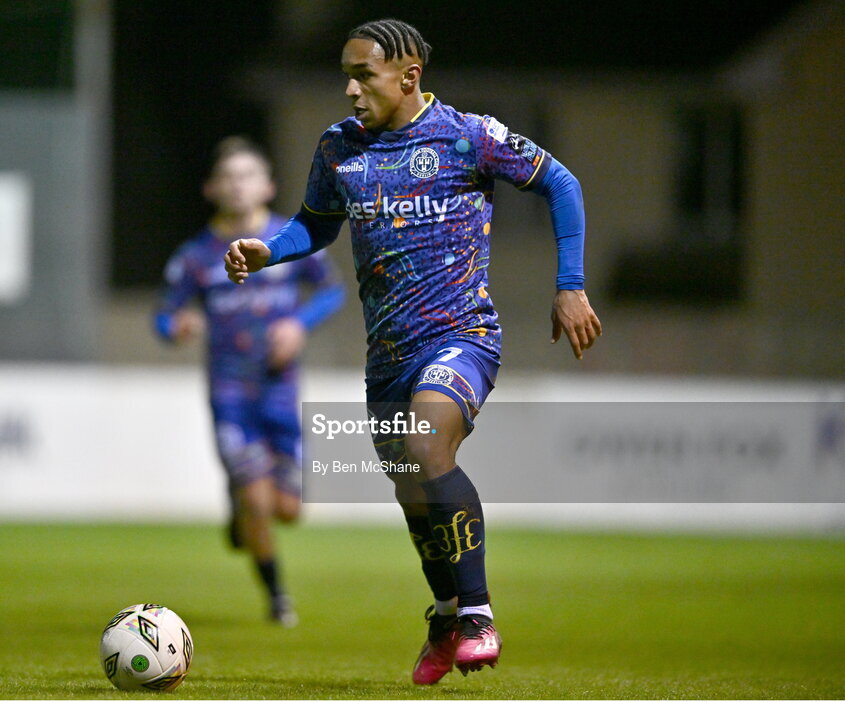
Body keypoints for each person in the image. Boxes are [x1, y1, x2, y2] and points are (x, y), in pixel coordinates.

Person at [224, 18, 601, 682]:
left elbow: (560, 184)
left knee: (429, 445)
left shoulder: (468, 136)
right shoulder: (339, 148)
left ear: (408, 76)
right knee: (412, 490)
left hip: (462, 337)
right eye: (346, 73)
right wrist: (269, 250)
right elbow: (314, 224)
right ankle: (446, 611)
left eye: (362, 74)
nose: (348, 88)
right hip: (387, 354)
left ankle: (478, 613)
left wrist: (569, 285)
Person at [155, 136, 344, 627]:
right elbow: (164, 316)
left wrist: (297, 325)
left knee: (287, 510)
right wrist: (177, 326)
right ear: (212, 188)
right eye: (229, 177)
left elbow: (332, 292)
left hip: (280, 390)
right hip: (231, 392)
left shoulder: (286, 240)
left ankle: (240, 511)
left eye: (248, 175)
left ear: (268, 185)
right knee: (259, 500)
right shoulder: (197, 256)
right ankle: (278, 597)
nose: (238, 185)